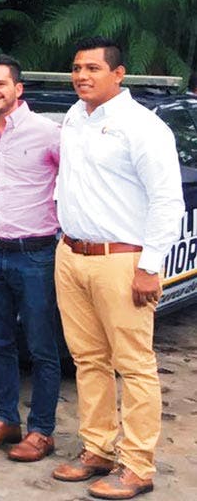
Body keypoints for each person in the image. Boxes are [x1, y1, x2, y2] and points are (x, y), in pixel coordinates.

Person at [50, 37, 183, 500]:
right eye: (76, 68)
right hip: (72, 255)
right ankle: (98, 450)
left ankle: (138, 466)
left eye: (93, 68)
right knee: (88, 360)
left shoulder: (143, 127)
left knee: (134, 365)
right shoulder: (74, 116)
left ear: (118, 73)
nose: (82, 76)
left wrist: (150, 267)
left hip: (122, 261)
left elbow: (167, 200)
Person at [0, 55, 62, 461]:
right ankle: (6, 419)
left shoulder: (48, 133)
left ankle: (42, 430)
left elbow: (74, 182)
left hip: (35, 253)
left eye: (0, 84)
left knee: (41, 346)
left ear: (18, 89)